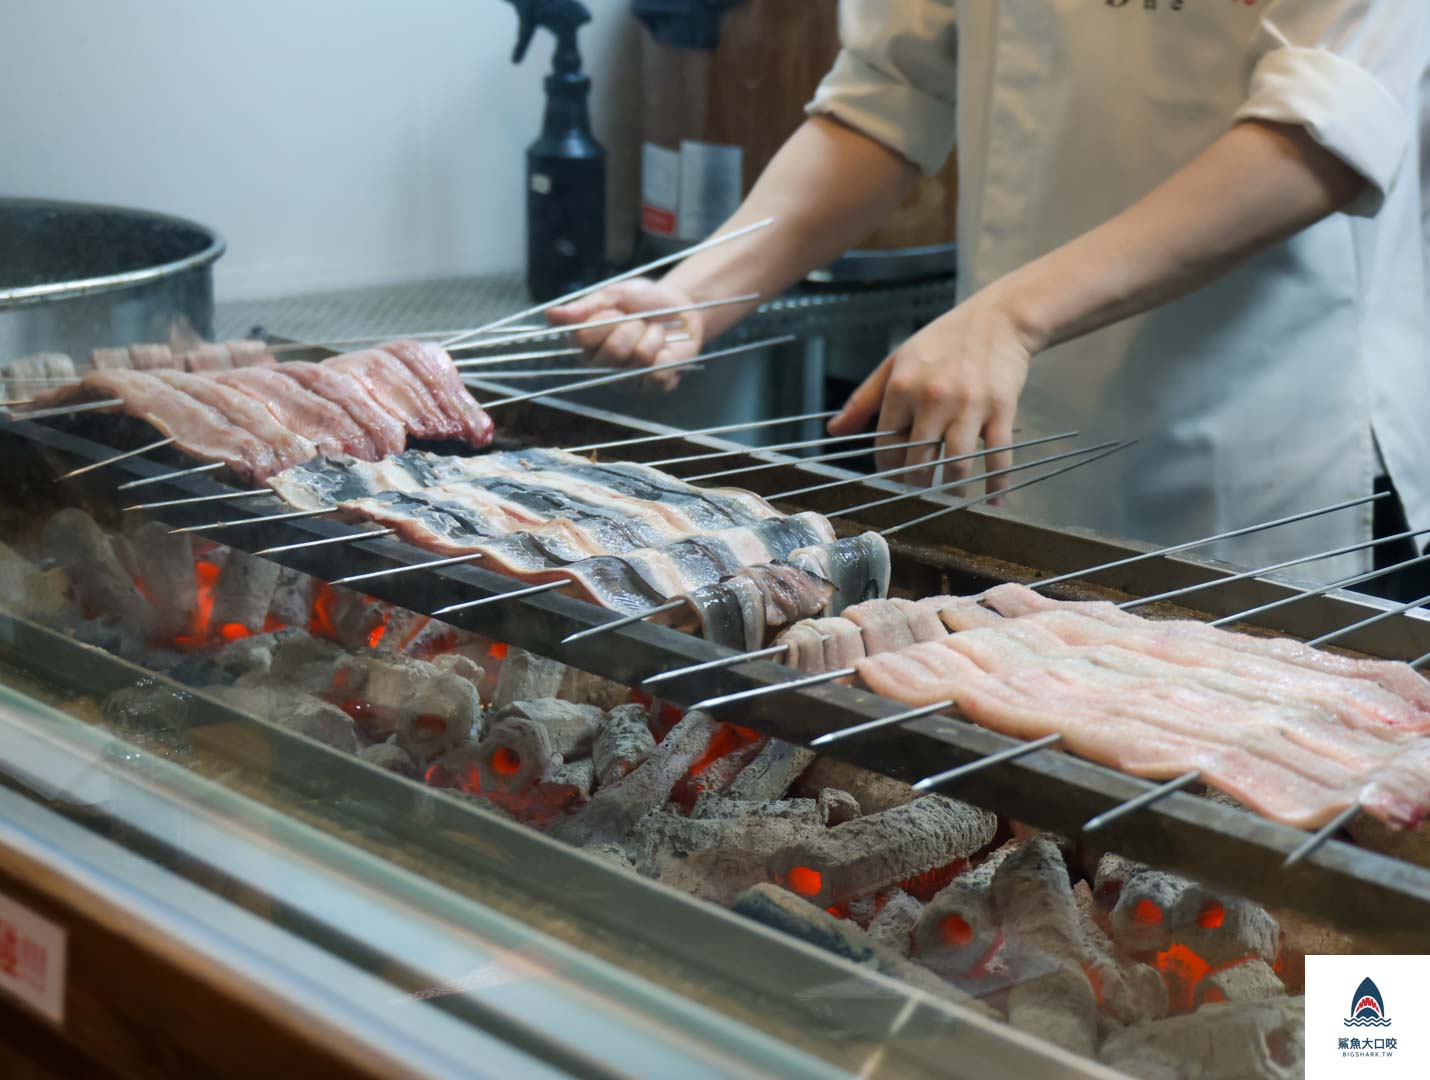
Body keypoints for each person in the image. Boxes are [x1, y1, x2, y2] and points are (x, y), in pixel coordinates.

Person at [549, 1, 1430, 596]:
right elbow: (888, 94)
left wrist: (1010, 316)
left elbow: (1321, 132)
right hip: (1020, 451)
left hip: (1265, 472)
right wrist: (696, 294)